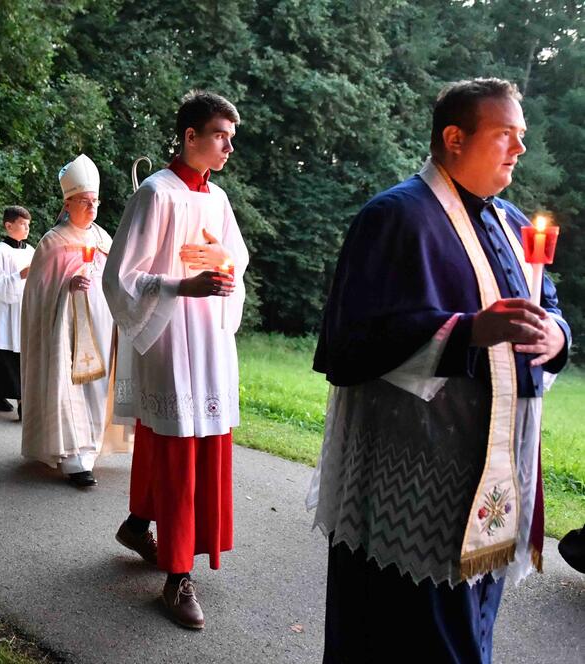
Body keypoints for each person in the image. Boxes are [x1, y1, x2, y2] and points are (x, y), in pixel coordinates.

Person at [309, 78, 571, 662]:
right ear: (455, 138)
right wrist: (470, 331)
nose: (520, 149)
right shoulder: (395, 217)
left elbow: (544, 304)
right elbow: (354, 342)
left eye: (520, 136)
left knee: (471, 628)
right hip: (417, 479)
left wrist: (556, 334)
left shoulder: (509, 222)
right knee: (407, 635)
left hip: (489, 475)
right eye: (506, 134)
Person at [103, 92, 247, 630]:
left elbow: (234, 258)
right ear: (190, 136)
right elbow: (120, 276)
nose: (229, 147)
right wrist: (181, 284)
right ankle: (177, 575)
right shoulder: (154, 194)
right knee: (178, 449)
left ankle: (139, 524)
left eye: (231, 138)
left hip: (209, 336)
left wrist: (223, 271)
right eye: (220, 136)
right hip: (169, 337)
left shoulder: (220, 200)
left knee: (199, 443)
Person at [20, 154, 131, 488]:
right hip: (64, 330)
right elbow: (38, 293)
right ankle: (73, 457)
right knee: (69, 386)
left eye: (95, 201)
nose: (92, 207)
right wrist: (66, 285)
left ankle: (91, 448)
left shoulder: (103, 239)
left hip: (100, 325)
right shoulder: (53, 242)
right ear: (67, 204)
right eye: (84, 201)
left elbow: (119, 275)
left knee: (97, 388)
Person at [0, 205, 34, 418]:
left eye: (28, 224)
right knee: (6, 356)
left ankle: (2, 395)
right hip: (4, 312)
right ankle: (19, 400)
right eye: (22, 224)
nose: (27, 228)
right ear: (8, 225)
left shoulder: (32, 251)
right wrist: (19, 276)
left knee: (23, 355)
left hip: (23, 309)